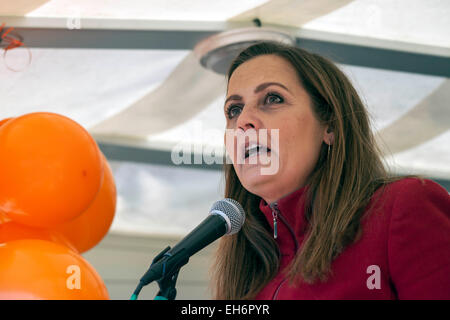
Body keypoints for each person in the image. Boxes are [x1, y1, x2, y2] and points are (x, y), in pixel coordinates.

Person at [211, 41, 450, 300]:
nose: (244, 121)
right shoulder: (246, 272)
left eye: (273, 98)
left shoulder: (404, 206)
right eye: (234, 110)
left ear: (330, 126)